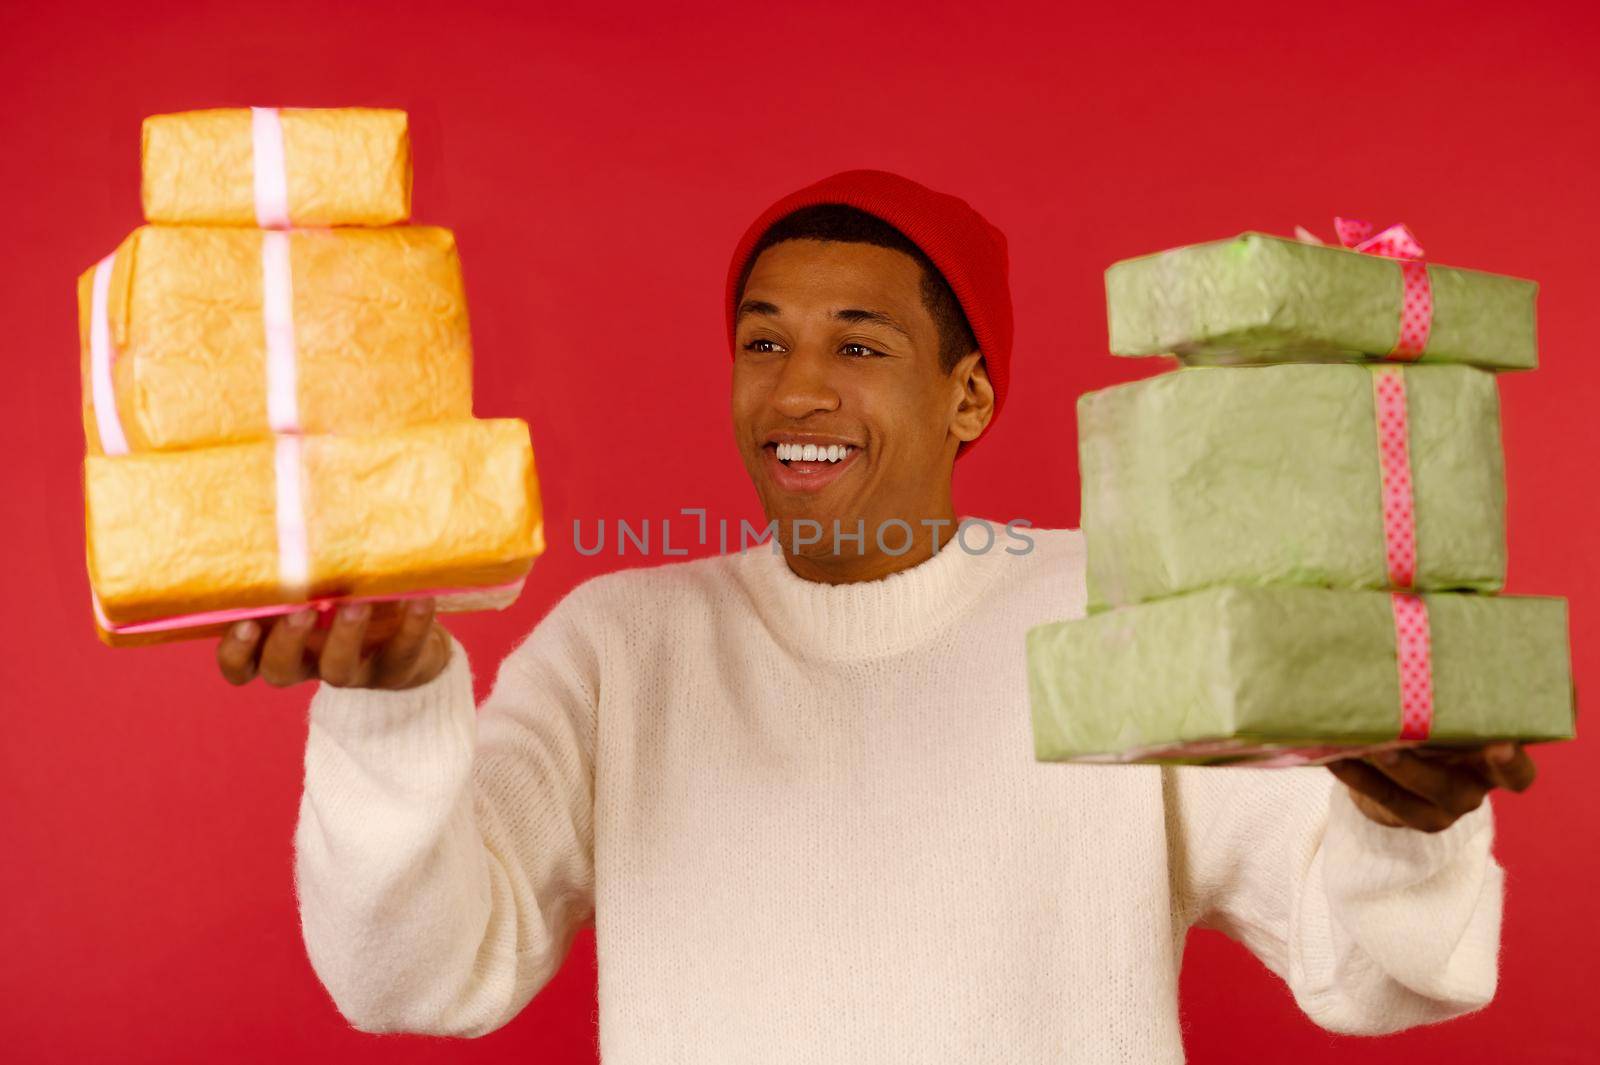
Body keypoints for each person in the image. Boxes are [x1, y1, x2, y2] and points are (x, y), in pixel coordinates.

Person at [215, 169, 1537, 1062]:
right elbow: (418, 976)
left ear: (968, 399)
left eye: (859, 345)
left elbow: (1371, 978)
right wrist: (388, 711)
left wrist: (1403, 824)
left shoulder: (1117, 611)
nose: (797, 390)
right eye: (761, 340)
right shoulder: (621, 643)